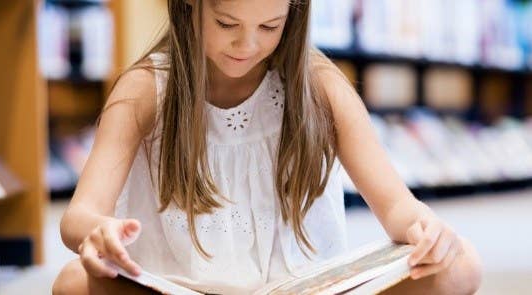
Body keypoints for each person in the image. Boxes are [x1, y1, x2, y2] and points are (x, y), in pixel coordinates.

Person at [52, 0, 482, 294]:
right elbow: (78, 216)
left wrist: (425, 229)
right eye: (227, 24)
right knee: (73, 282)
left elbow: (397, 208)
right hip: (180, 286)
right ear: (188, 5)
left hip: (304, 283)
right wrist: (98, 232)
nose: (248, 44)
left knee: (461, 264)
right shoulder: (146, 88)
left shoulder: (319, 85)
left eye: (270, 26)